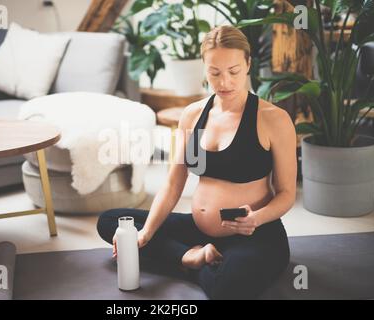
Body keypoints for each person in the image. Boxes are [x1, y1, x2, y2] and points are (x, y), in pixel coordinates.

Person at [97, 25, 297, 299]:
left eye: (233, 71)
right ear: (204, 67)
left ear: (248, 64)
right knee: (112, 223)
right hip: (198, 230)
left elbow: (287, 193)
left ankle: (185, 261)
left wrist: (257, 218)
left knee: (228, 288)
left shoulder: (273, 119)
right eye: (215, 72)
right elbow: (173, 183)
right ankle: (190, 256)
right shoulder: (193, 116)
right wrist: (146, 233)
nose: (224, 82)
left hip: (254, 233)